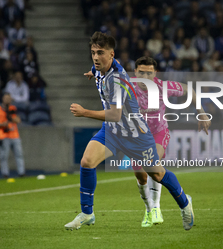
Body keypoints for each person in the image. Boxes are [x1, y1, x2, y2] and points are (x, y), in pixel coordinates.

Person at [65, 31, 196, 231]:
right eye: (93, 52)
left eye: (100, 53)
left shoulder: (117, 80)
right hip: (112, 131)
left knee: (157, 175)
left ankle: (185, 203)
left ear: (111, 54)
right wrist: (93, 71)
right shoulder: (101, 67)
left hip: (136, 134)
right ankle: (87, 213)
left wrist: (85, 112)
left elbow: (115, 114)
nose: (95, 57)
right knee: (87, 161)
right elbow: (98, 71)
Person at [130, 57, 211, 227]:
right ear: (135, 72)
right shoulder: (127, 87)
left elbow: (190, 90)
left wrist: (201, 112)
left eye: (149, 73)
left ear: (155, 73)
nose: (145, 76)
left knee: (153, 164)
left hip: (159, 132)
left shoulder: (162, 87)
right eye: (141, 72)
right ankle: (148, 208)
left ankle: (156, 208)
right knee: (140, 175)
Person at [0, 92, 25, 178]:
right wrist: (3, 124)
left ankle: (21, 173)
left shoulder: (13, 108)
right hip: (3, 135)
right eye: (6, 98)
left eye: (9, 98)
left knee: (19, 154)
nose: (8, 100)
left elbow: (18, 120)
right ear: (2, 99)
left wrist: (11, 117)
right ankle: (5, 174)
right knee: (4, 156)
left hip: (15, 135)